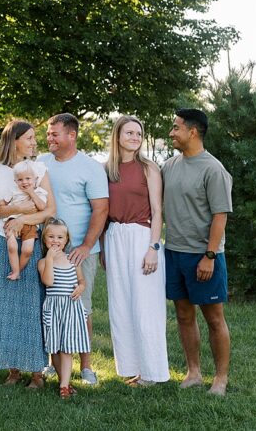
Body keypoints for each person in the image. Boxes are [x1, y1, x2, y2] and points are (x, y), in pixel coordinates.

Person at [0, 119, 57, 387]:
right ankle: (12, 370)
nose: (35, 142)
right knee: (3, 305)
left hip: (30, 240)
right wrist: (24, 212)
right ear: (14, 140)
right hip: (0, 241)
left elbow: (49, 210)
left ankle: (36, 370)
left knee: (31, 304)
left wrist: (24, 220)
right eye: (30, 137)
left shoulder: (39, 169)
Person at [162, 108, 233, 396]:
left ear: (192, 131)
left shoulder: (213, 169)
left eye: (176, 127)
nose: (171, 132)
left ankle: (221, 378)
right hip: (174, 252)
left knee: (214, 317)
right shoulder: (169, 166)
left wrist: (210, 256)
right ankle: (193, 372)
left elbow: (220, 215)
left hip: (204, 254)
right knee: (183, 314)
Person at [39, 113, 109, 385]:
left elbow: (101, 210)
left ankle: (87, 366)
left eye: (54, 134)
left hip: (79, 253)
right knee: (49, 306)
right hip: (47, 250)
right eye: (48, 133)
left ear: (72, 135)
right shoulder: (41, 164)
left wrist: (87, 245)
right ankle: (51, 363)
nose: (49, 138)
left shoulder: (90, 168)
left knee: (81, 308)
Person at [104, 115, 169, 386]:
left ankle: (152, 372)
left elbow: (157, 211)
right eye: (129, 132)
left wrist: (153, 248)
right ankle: (133, 367)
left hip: (142, 237)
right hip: (114, 237)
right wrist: (103, 249)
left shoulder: (148, 168)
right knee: (121, 305)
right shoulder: (107, 169)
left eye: (138, 134)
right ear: (117, 136)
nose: (134, 137)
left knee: (146, 305)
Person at [38, 219, 90, 400]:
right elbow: (49, 282)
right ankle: (64, 381)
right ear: (44, 239)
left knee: (67, 348)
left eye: (60, 237)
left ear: (66, 240)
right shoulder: (43, 262)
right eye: (51, 236)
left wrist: (81, 287)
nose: (55, 240)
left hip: (70, 308)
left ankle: (64, 386)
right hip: (53, 308)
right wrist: (50, 259)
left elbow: (82, 281)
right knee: (55, 348)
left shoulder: (72, 260)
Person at [0, 160, 48, 280]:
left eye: (28, 178)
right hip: (13, 221)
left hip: (30, 224)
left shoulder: (39, 192)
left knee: (28, 250)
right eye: (20, 180)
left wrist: (31, 193)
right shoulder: (14, 191)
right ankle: (15, 271)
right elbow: (5, 201)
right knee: (12, 247)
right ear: (15, 181)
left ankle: (18, 269)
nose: (24, 182)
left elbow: (42, 207)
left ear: (35, 179)